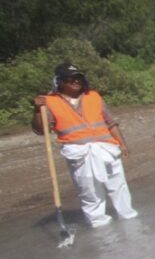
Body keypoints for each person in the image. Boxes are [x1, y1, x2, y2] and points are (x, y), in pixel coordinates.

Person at [31, 63, 138, 228]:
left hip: (106, 149)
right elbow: (40, 129)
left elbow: (111, 123)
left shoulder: (93, 96)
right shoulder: (49, 102)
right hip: (79, 153)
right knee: (89, 190)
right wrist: (38, 110)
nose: (75, 81)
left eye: (78, 78)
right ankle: (99, 225)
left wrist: (122, 144)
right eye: (70, 79)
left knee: (118, 185)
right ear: (59, 81)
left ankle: (130, 219)